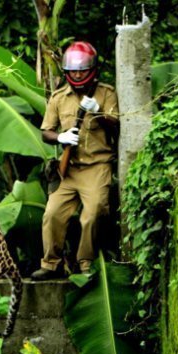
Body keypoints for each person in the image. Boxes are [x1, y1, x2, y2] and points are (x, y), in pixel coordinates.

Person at [31, 41, 119, 280]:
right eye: (73, 71)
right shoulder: (59, 98)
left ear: (92, 70)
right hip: (69, 169)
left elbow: (118, 125)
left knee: (93, 213)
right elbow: (45, 132)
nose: (78, 75)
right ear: (66, 72)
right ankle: (51, 264)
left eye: (82, 70)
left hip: (97, 166)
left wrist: (99, 112)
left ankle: (84, 262)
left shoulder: (106, 93)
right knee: (52, 213)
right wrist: (60, 136)